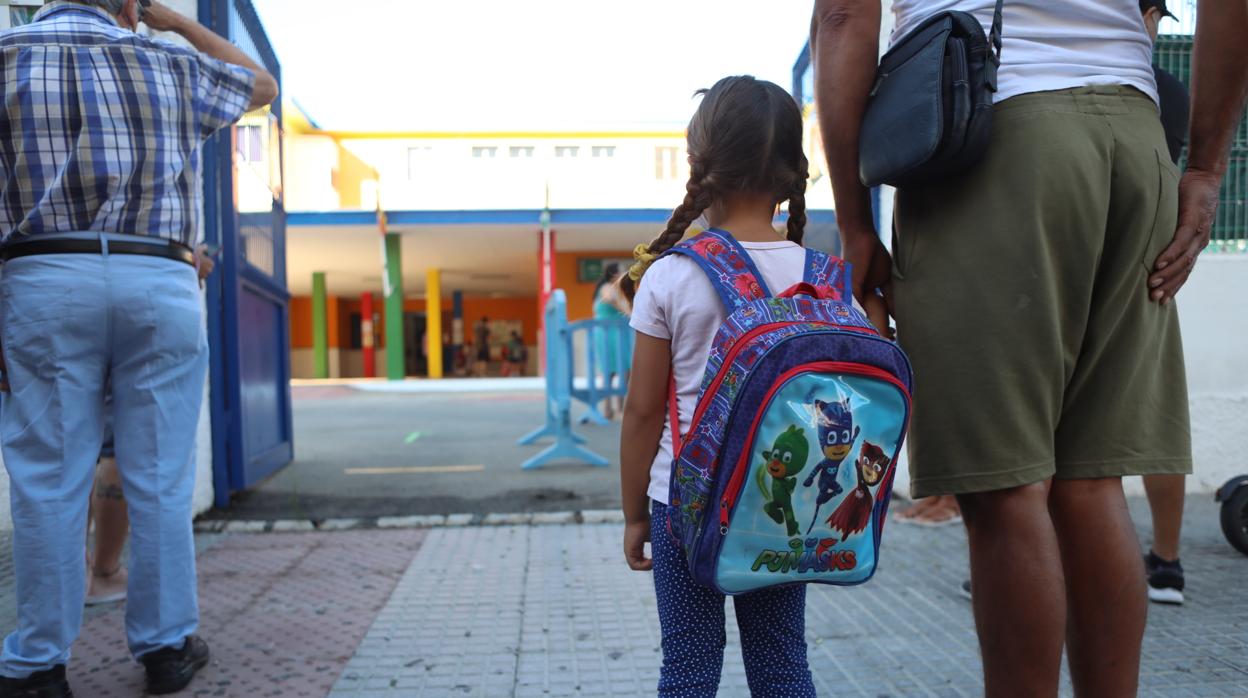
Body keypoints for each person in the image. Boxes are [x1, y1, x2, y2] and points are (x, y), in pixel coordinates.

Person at [812, 2, 1248, 697]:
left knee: (1006, 488)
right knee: (1093, 484)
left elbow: (842, 17)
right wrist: (1205, 168)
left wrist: (853, 223)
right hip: (1134, 141)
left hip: (990, 130)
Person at [0, 1, 277, 696]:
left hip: (43, 273)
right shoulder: (171, 60)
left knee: (47, 476)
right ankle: (166, 646)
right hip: (158, 274)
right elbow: (264, 87)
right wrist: (177, 23)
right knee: (159, 471)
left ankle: (38, 663)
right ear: (130, 5)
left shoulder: (6, 54)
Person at [620, 75, 817, 696]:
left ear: (696, 164)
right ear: (791, 174)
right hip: (781, 504)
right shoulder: (823, 276)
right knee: (783, 664)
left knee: (688, 665)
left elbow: (643, 412)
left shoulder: (671, 276)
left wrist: (633, 515)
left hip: (683, 503)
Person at [85, 247, 217, 607]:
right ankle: (104, 571)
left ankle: (74, 580)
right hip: (144, 283)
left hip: (56, 281)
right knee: (123, 447)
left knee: (69, 448)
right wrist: (192, 259)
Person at [1140, 0, 1192, 606]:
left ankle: (1032, 557)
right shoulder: (1167, 91)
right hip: (1150, 267)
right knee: (1156, 421)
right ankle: (1168, 563)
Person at [591, 264, 631, 419]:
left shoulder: (601, 288)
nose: (623, 272)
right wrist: (625, 310)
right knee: (622, 369)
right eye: (620, 270)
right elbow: (609, 299)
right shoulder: (609, 287)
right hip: (612, 333)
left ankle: (610, 409)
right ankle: (616, 409)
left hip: (607, 332)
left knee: (611, 370)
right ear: (614, 274)